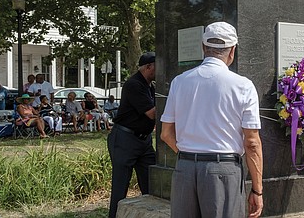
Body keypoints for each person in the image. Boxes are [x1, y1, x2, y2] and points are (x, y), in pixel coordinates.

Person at [160, 22, 263, 218]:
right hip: (223, 170)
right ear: (232, 51)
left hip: (185, 167)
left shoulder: (179, 82)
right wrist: (257, 190)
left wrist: (189, 155)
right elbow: (251, 142)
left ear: (203, 47)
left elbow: (166, 134)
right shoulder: (243, 86)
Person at [107, 52, 156, 218]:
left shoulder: (151, 86)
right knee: (120, 186)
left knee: (152, 183)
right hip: (125, 139)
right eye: (158, 65)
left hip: (144, 141)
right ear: (148, 67)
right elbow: (151, 113)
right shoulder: (134, 84)